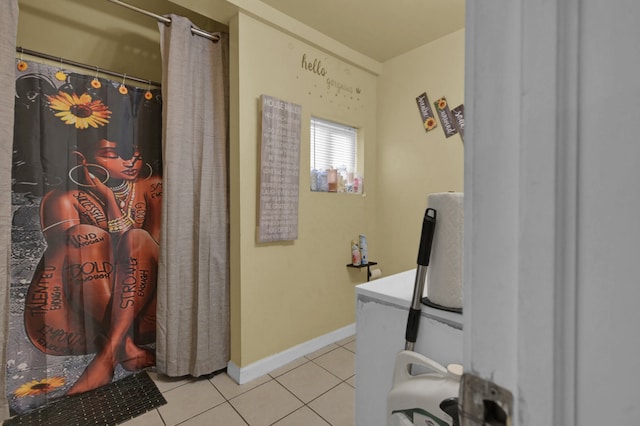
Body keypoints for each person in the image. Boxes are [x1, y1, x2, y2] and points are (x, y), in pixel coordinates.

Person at [23, 132, 162, 395]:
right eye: (112, 155)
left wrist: (110, 201)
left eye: (135, 154)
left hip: (145, 312)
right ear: (81, 159)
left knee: (136, 239)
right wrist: (108, 199)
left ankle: (108, 355)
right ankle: (125, 348)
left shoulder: (152, 187)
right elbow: (70, 267)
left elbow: (149, 255)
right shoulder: (62, 199)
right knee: (82, 237)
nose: (130, 161)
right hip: (76, 323)